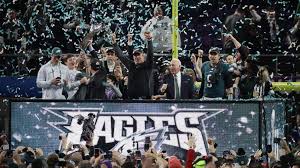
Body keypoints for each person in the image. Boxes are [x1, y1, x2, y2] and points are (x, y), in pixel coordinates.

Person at [112, 32, 154, 99]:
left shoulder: (148, 65)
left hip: (144, 99)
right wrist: (114, 43)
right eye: (135, 55)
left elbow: (150, 54)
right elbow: (121, 56)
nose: (136, 57)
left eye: (138, 54)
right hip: (131, 98)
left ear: (143, 56)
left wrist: (149, 40)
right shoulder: (131, 65)